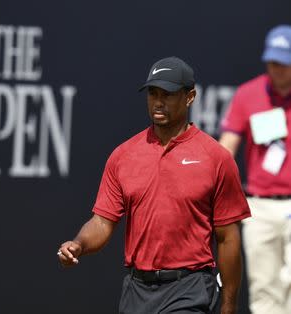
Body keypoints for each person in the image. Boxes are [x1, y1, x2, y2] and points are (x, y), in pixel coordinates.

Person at [57, 56, 251, 314]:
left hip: (190, 289)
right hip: (136, 290)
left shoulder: (216, 158)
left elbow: (228, 238)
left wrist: (229, 304)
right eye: (152, 93)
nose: (158, 102)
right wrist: (78, 244)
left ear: (189, 97)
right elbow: (102, 222)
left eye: (168, 94)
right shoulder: (123, 155)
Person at [219, 24, 291, 314]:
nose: (277, 69)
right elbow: (226, 149)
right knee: (264, 291)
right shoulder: (248, 94)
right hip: (259, 206)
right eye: (272, 61)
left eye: (284, 63)